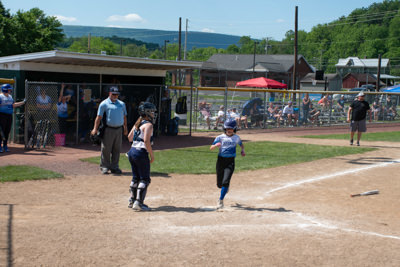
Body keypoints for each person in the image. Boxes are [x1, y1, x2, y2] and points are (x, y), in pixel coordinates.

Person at [90, 87, 128, 174]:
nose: (115, 96)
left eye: (117, 94)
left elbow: (124, 117)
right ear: (109, 93)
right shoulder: (104, 104)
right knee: (106, 149)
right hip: (108, 129)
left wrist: (125, 128)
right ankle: (104, 167)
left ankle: (114, 167)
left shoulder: (122, 104)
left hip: (119, 129)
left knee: (117, 149)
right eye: (113, 94)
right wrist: (95, 128)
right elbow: (98, 117)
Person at [127, 102, 156, 211]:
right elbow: (146, 141)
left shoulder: (138, 124)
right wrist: (151, 155)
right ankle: (139, 203)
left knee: (136, 177)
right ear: (147, 112)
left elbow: (130, 138)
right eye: (152, 112)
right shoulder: (148, 125)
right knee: (144, 179)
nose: (153, 114)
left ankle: (132, 200)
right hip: (140, 152)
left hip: (132, 151)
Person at [210, 119, 245, 209]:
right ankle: (225, 187)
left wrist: (242, 150)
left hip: (230, 161)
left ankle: (220, 200)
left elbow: (241, 144)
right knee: (219, 185)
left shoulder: (236, 137)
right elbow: (211, 147)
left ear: (234, 129)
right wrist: (215, 146)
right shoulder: (220, 137)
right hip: (221, 161)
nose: (229, 131)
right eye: (227, 129)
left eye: (231, 129)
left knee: (225, 181)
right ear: (224, 129)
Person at [0, 84, 26, 152]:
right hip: (1, 115)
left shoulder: (10, 97)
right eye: (9, 89)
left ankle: (5, 146)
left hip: (9, 116)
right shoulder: (0, 96)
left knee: (7, 131)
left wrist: (23, 102)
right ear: (4, 89)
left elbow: (13, 105)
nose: (10, 91)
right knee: (1, 131)